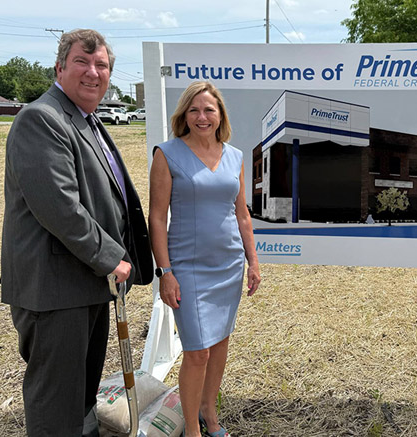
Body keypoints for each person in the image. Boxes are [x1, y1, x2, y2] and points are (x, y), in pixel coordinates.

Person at [1, 29, 153, 436]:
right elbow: (61, 208)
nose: (92, 72)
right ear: (60, 68)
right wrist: (112, 257)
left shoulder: (86, 120)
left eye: (101, 65)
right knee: (58, 404)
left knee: (81, 396)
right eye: (82, 63)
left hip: (84, 283)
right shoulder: (41, 119)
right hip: (55, 290)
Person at [149, 81, 260, 437]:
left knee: (220, 344)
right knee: (197, 353)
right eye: (194, 110)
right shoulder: (167, 154)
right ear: (184, 115)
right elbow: (156, 216)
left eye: (209, 110)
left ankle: (210, 415)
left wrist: (253, 262)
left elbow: (242, 215)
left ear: (220, 115)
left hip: (228, 266)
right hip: (188, 268)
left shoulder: (236, 156)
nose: (202, 117)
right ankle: (192, 430)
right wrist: (165, 272)